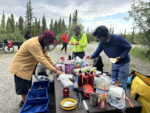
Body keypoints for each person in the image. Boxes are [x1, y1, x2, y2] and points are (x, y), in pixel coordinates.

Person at [9, 30, 62, 107]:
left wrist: (55, 65)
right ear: (45, 39)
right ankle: (27, 106)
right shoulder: (34, 44)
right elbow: (42, 59)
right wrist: (54, 70)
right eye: (49, 42)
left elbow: (46, 56)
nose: (49, 44)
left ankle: (24, 102)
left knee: (27, 87)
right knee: (23, 89)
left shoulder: (41, 43)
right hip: (20, 68)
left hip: (27, 69)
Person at [85, 25, 132, 91]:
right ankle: (113, 95)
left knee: (122, 83)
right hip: (114, 63)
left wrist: (121, 56)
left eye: (99, 37)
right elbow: (98, 51)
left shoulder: (117, 38)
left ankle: (121, 98)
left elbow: (128, 47)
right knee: (113, 81)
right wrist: (91, 56)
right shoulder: (102, 42)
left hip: (123, 63)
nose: (98, 39)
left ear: (105, 35)